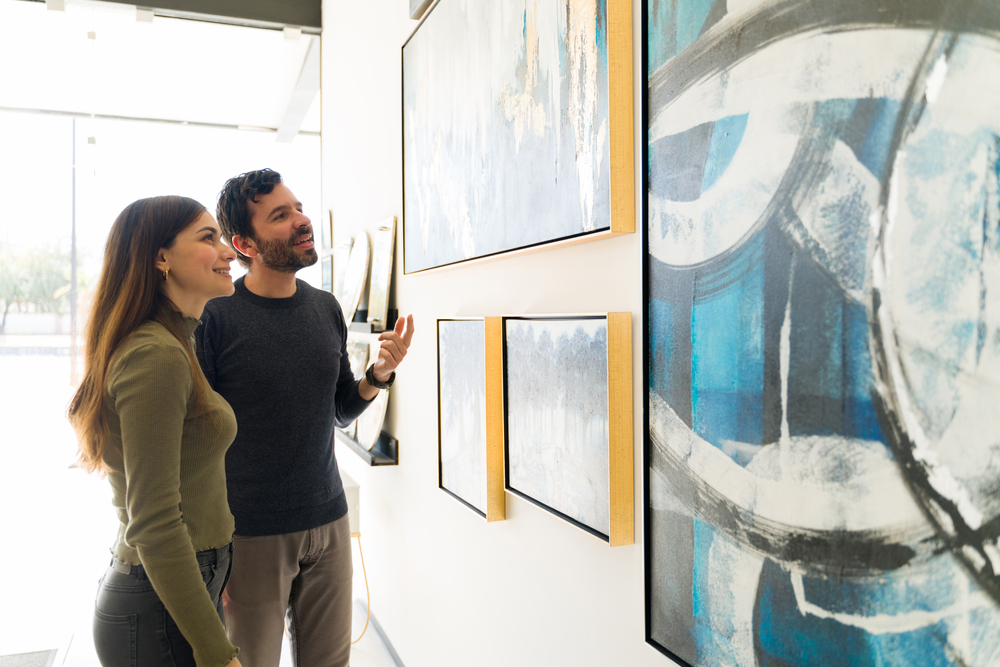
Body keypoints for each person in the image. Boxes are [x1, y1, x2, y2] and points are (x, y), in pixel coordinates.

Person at [196, 168, 414, 667]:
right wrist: (211, 553)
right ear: (244, 243)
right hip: (249, 535)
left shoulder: (326, 308)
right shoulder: (216, 317)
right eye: (281, 216)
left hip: (329, 523)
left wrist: (378, 374)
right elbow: (196, 443)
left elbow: (339, 409)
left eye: (297, 208)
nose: (301, 220)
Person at [67, 196, 242, 667]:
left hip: (176, 590)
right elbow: (155, 521)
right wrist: (215, 649)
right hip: (156, 609)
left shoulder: (174, 341)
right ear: (160, 258)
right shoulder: (156, 355)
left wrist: (209, 581)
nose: (229, 253)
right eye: (209, 238)